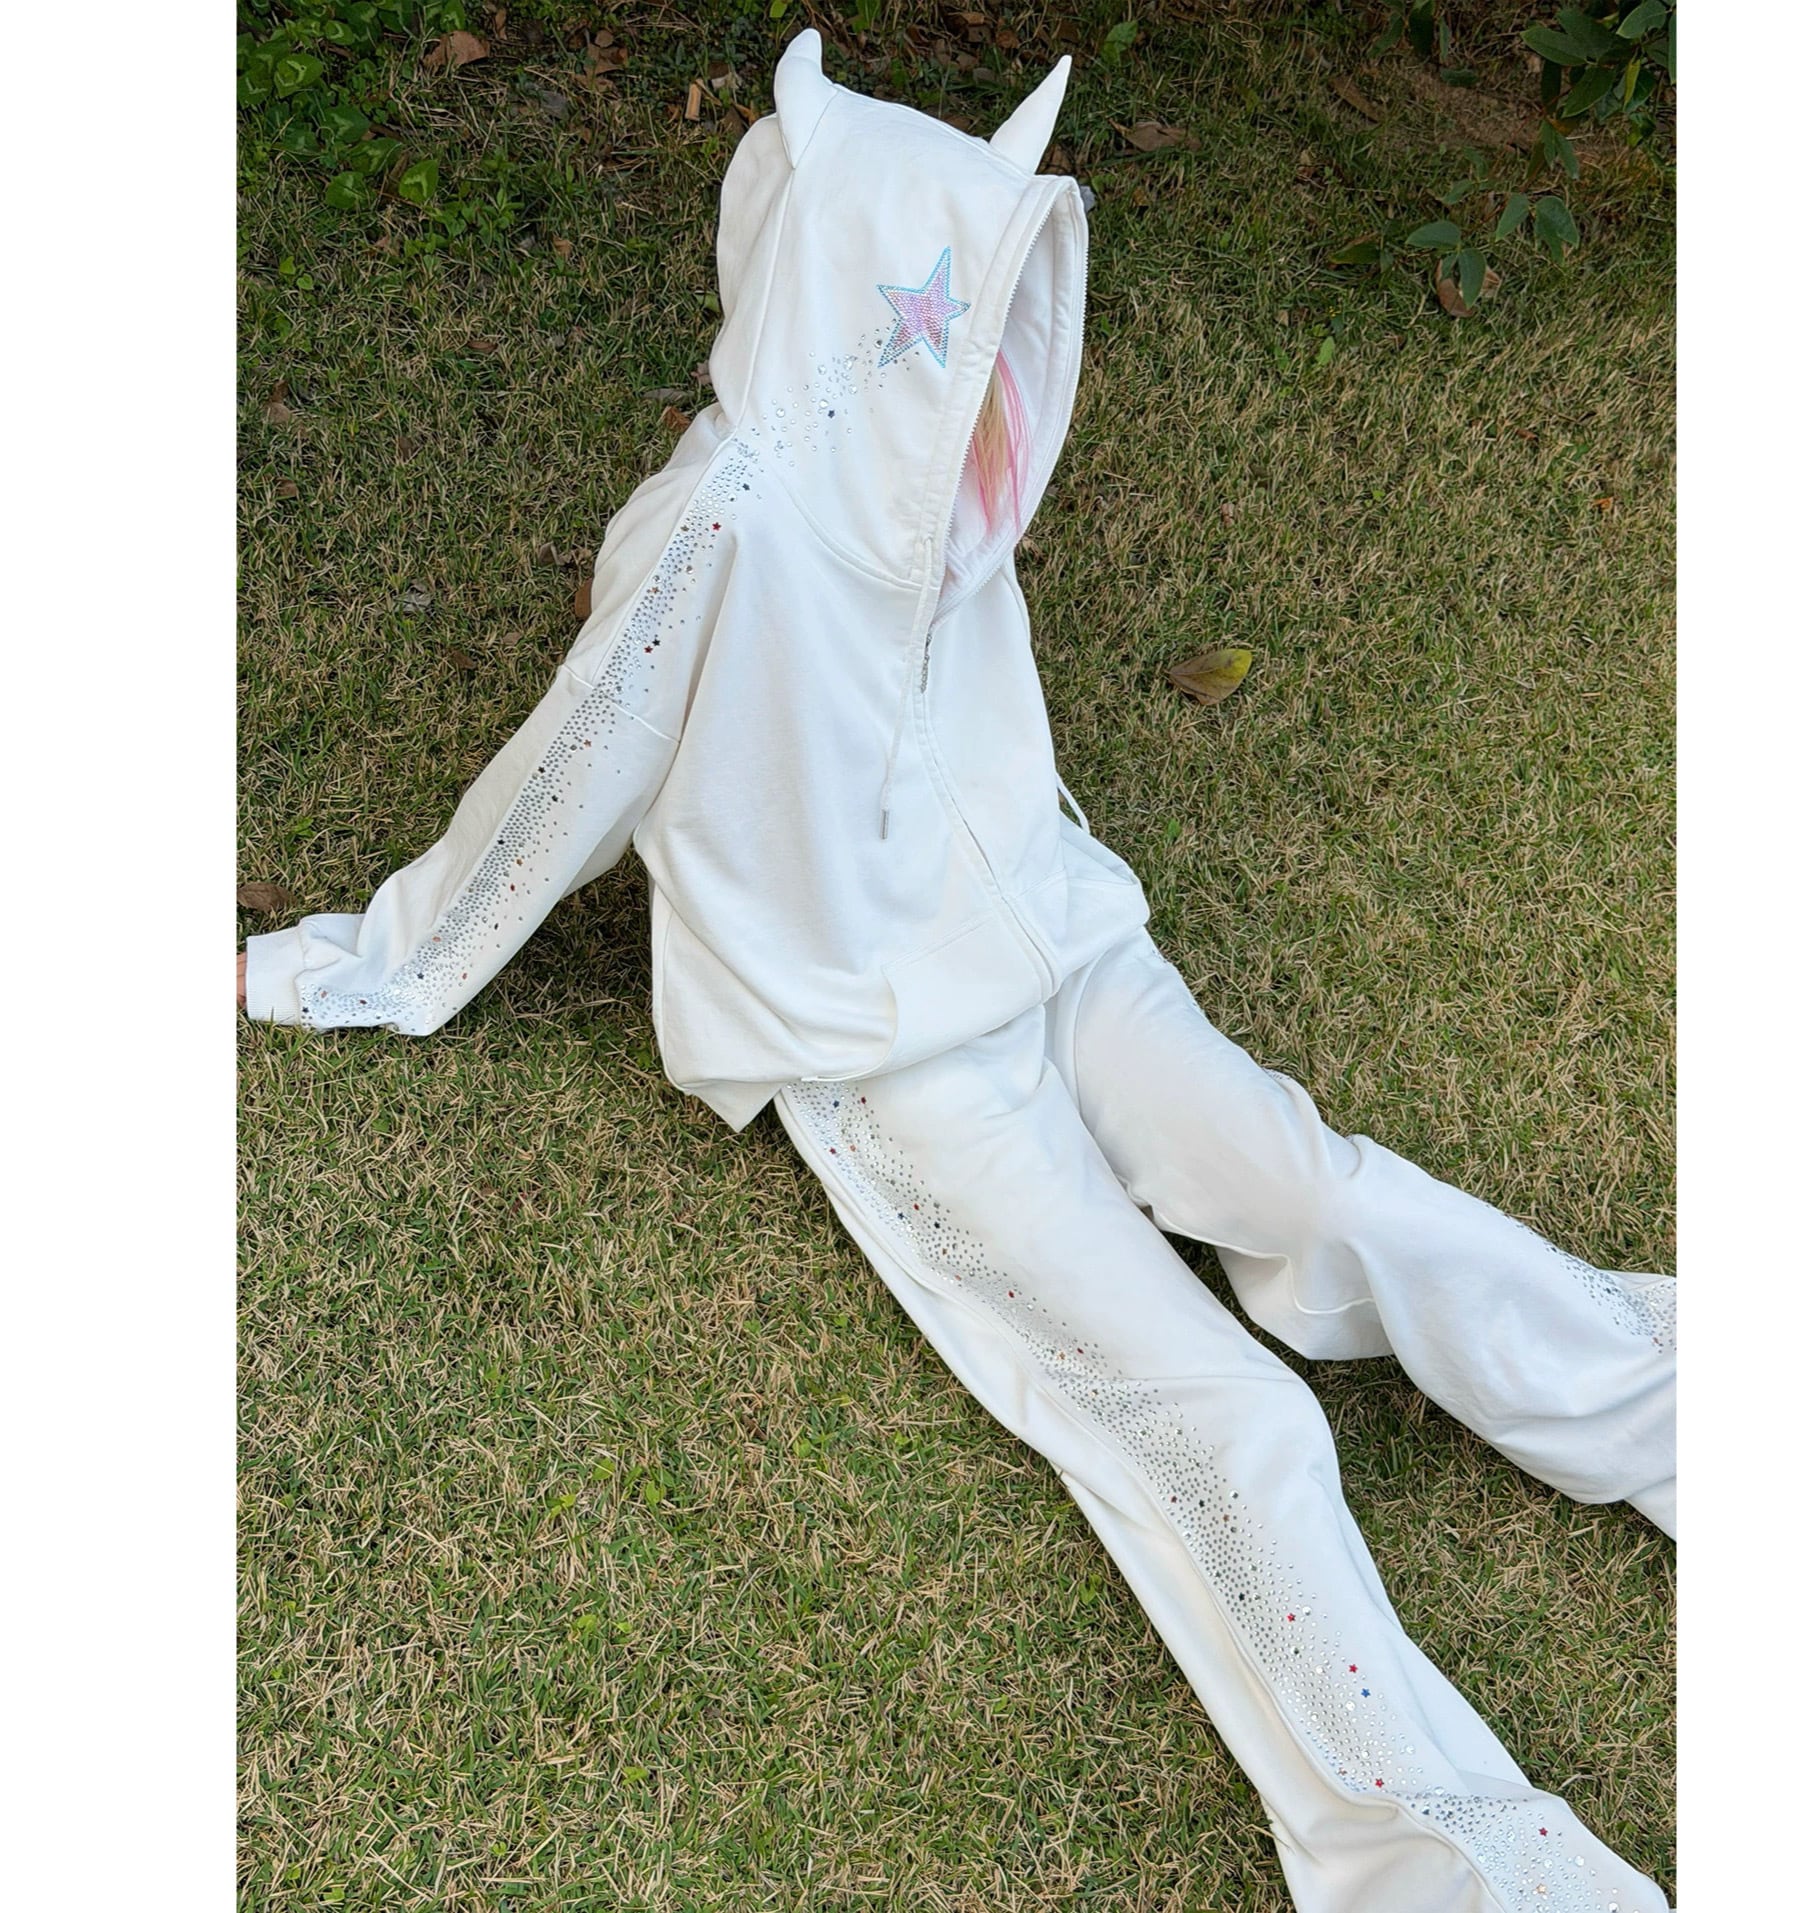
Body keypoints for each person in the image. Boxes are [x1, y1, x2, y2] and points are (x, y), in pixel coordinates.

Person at [239, 32, 1674, 1912]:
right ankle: (1453, 1858)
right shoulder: (720, 536)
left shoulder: (947, 485)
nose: (990, 365)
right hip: (892, 1046)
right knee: (1217, 1415)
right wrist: (376, 961)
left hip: (1065, 944)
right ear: (854, 300)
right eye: (951, 319)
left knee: (1305, 1181)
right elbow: (569, 769)